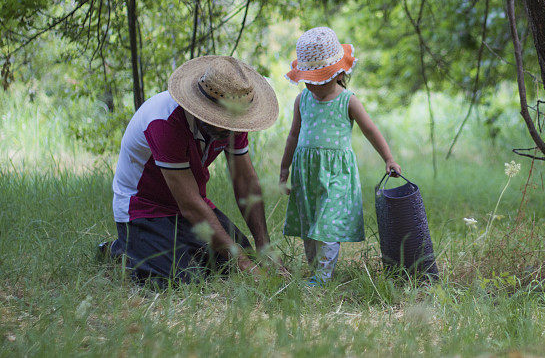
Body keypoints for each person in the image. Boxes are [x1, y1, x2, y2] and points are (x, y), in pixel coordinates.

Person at [104, 55, 281, 286]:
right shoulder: (164, 121)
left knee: (236, 258)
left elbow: (245, 182)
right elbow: (190, 205)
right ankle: (124, 249)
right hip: (143, 207)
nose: (235, 129)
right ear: (204, 109)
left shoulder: (234, 123)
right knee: (179, 279)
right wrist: (245, 265)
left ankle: (150, 246)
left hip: (188, 204)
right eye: (225, 121)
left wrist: (263, 247)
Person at [280, 27, 400, 284]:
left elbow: (370, 130)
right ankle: (316, 270)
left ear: (338, 73)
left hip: (337, 174)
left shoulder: (348, 101)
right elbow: (293, 135)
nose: (313, 85)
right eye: (308, 79)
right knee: (310, 226)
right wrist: (284, 169)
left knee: (328, 224)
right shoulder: (302, 100)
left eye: (319, 79)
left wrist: (388, 158)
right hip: (306, 174)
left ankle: (322, 278)